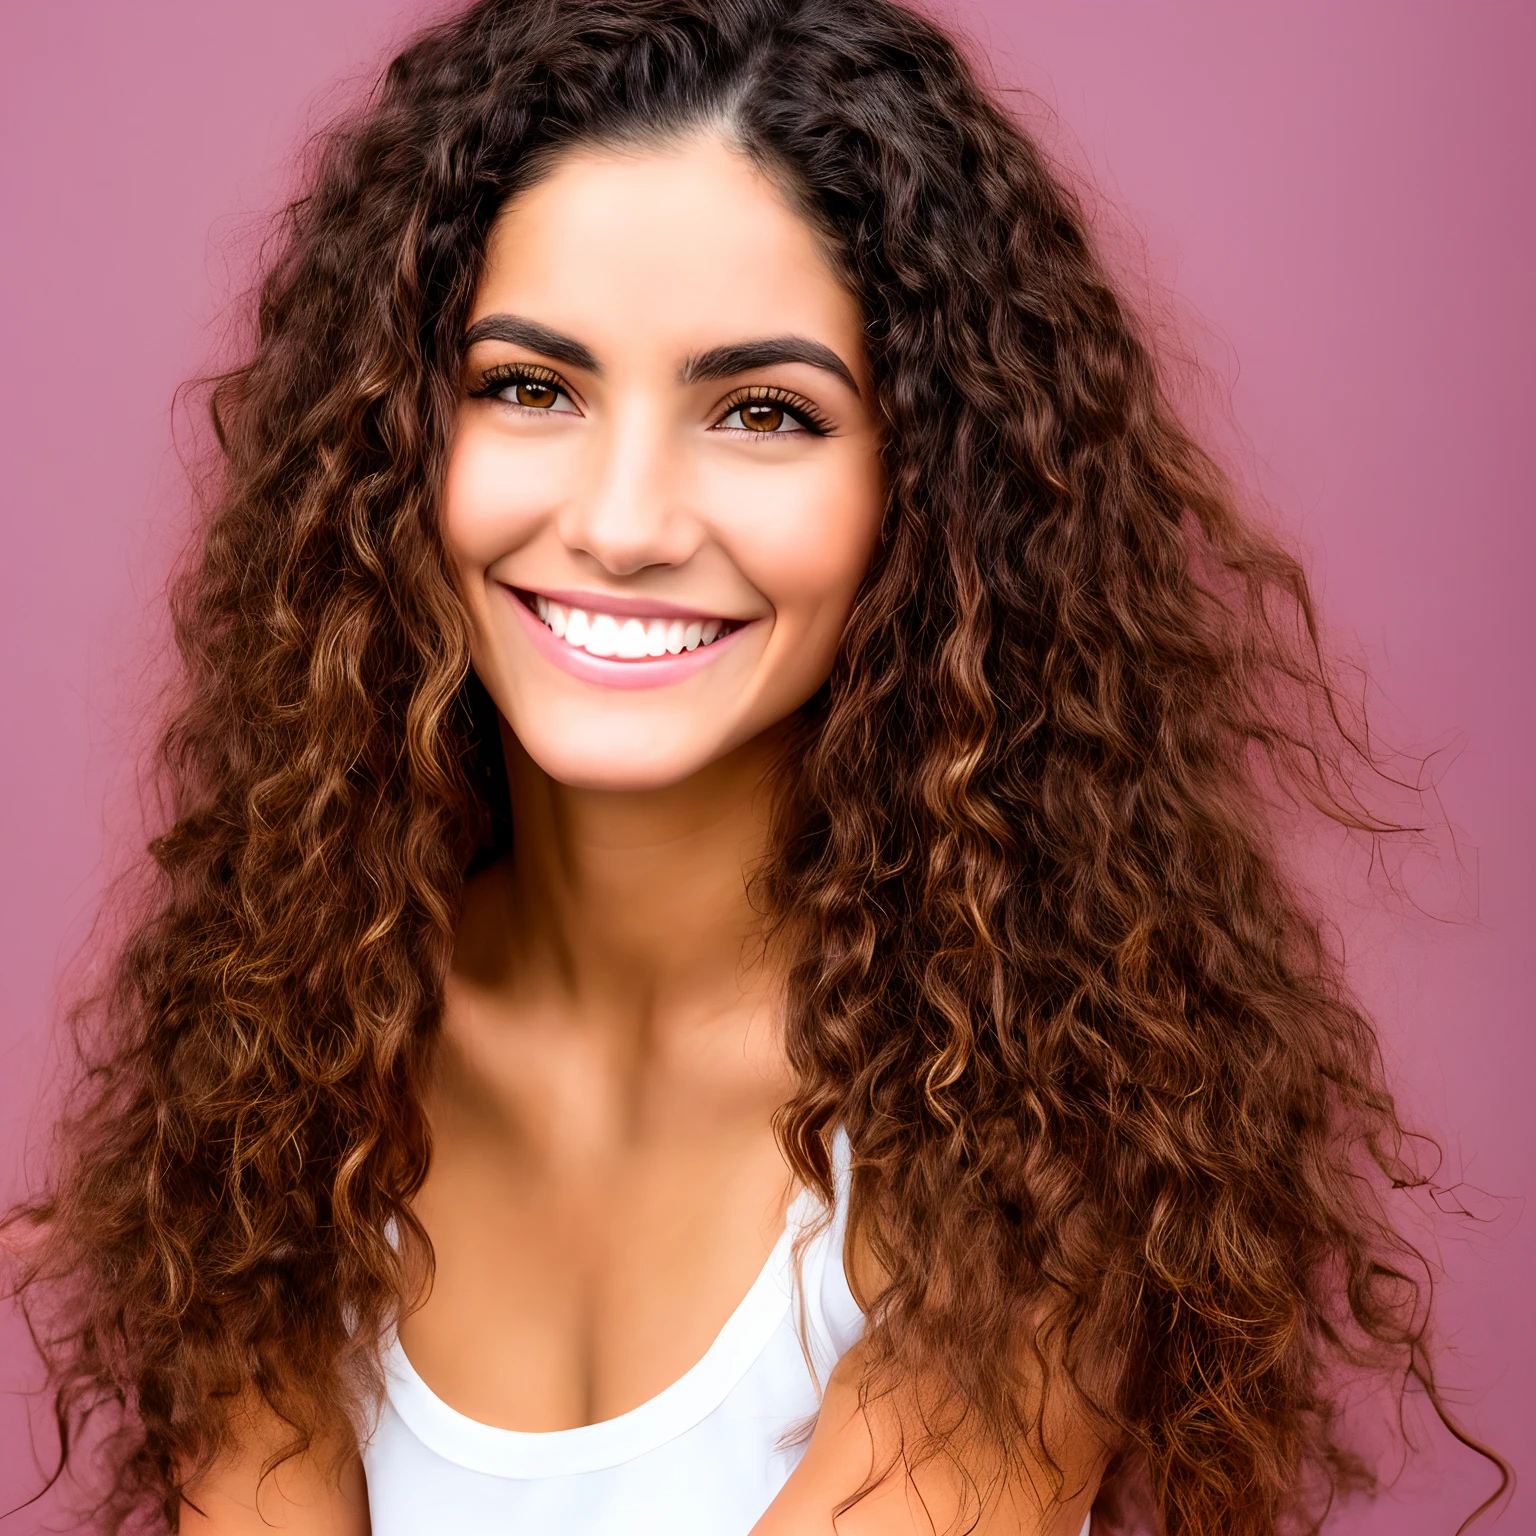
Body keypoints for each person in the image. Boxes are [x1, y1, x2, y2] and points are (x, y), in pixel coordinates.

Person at [4, 1, 1508, 1533]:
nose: (627, 518)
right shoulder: (284, 1065)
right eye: (531, 385)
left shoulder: (1029, 1133)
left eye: (765, 412)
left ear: (923, 503)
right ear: (393, 438)